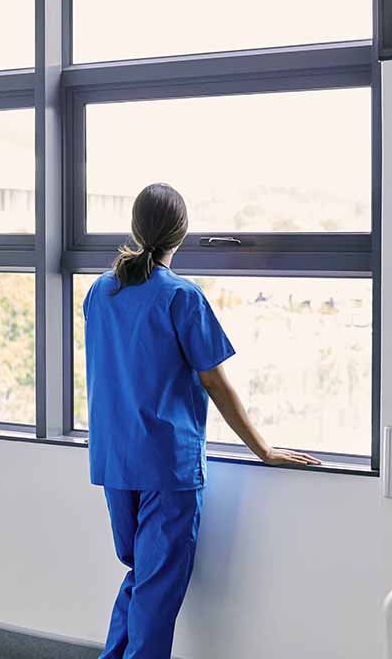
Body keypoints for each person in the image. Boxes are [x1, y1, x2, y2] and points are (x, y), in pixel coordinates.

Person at [83, 182, 320, 659]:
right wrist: (265, 450)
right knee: (155, 587)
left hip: (114, 460)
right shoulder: (180, 297)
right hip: (165, 465)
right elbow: (216, 382)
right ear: (182, 234)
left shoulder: (99, 292)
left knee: (141, 577)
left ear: (135, 228)